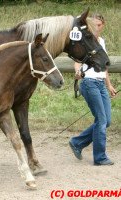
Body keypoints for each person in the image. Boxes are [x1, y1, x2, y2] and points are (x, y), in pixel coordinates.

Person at [69, 13, 117, 166]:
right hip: (89, 83)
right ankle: (100, 157)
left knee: (106, 121)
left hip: (101, 84)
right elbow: (77, 60)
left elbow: (103, 66)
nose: (96, 27)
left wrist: (109, 85)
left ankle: (77, 142)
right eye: (94, 24)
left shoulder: (101, 41)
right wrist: (77, 72)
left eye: (99, 25)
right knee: (102, 120)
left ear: (103, 25)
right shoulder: (85, 40)